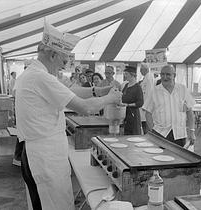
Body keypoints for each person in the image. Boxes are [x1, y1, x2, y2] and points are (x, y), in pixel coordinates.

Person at [14, 23, 122, 210]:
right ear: (52, 54)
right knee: (54, 205)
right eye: (64, 59)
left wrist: (99, 90)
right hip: (44, 155)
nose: (65, 64)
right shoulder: (41, 77)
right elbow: (85, 108)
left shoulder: (34, 74)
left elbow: (71, 91)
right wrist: (111, 97)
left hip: (39, 151)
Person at [142, 64, 196, 147]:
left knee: (180, 159)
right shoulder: (154, 91)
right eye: (162, 74)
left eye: (168, 74)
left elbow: (190, 112)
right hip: (160, 134)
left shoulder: (182, 89)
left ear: (174, 75)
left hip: (179, 134)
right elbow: (148, 113)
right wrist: (152, 131)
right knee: (159, 158)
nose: (165, 77)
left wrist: (191, 131)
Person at [122, 66, 144, 135]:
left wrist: (128, 105)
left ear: (132, 75)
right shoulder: (126, 85)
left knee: (134, 135)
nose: (125, 76)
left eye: (126, 74)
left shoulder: (137, 87)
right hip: (125, 114)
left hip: (134, 114)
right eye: (125, 74)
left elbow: (140, 103)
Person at [139, 63, 154, 134]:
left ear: (145, 69)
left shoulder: (149, 78)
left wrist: (146, 105)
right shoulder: (146, 78)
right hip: (144, 104)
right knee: (144, 123)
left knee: (147, 123)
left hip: (146, 106)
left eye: (141, 69)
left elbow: (149, 92)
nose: (140, 71)